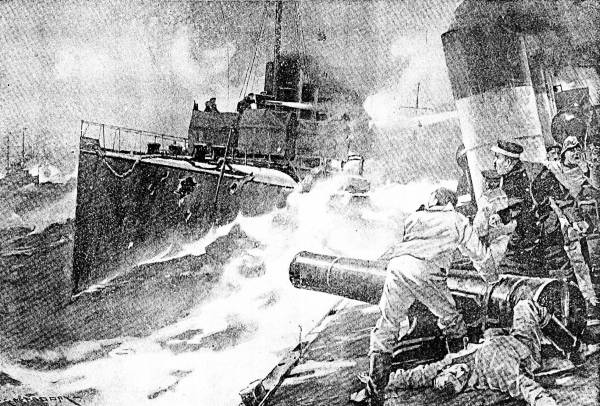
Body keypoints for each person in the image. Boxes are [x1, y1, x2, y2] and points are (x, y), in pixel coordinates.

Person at [355, 187, 498, 406]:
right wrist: (492, 280)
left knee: (386, 326)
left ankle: (375, 391)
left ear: (433, 201)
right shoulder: (457, 219)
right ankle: (459, 370)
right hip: (426, 272)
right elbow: (478, 254)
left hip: (397, 267)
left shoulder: (414, 218)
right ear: (451, 204)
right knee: (452, 320)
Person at [386, 299, 558, 406]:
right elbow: (524, 387)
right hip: (522, 344)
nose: (460, 373)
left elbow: (412, 377)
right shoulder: (493, 372)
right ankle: (566, 340)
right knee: (525, 306)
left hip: (494, 339)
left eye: (453, 373)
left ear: (444, 371)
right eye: (460, 381)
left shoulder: (444, 365)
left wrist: (383, 381)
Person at [531, 135, 599, 319]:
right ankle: (583, 299)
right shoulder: (554, 170)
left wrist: (590, 168)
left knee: (584, 262)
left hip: (580, 223)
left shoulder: (582, 170)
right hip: (562, 226)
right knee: (574, 264)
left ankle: (589, 298)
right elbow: (557, 198)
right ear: (563, 154)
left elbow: (593, 188)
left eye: (577, 149)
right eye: (571, 150)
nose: (575, 153)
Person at [486, 140, 542, 274]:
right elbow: (519, 205)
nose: (494, 162)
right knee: (510, 267)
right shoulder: (510, 176)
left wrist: (576, 220)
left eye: (497, 157)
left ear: (508, 162)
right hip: (525, 228)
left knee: (556, 271)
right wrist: (501, 216)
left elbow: (522, 205)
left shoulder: (529, 174)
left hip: (543, 229)